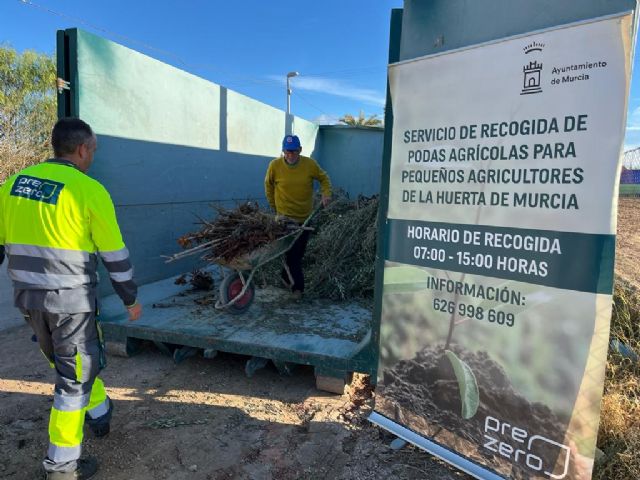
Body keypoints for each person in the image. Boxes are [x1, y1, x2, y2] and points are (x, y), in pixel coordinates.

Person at [0, 118, 142, 480]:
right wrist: (130, 299)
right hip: (71, 304)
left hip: (29, 301)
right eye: (93, 150)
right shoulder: (88, 189)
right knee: (73, 379)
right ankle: (62, 465)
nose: (92, 156)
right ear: (82, 149)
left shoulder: (13, 184)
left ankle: (98, 413)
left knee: (70, 363)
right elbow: (115, 256)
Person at [264, 134, 331, 298]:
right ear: (283, 151)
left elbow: (324, 178)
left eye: (294, 151)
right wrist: (275, 208)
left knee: (297, 254)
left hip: (304, 219)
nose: (290, 155)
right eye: (287, 152)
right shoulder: (275, 165)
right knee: (290, 254)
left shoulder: (309, 164)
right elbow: (268, 186)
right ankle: (294, 286)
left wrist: (326, 194)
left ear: (300, 150)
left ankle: (292, 283)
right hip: (284, 220)